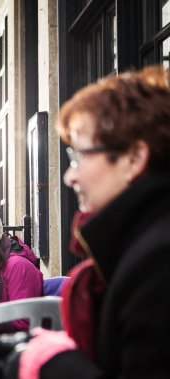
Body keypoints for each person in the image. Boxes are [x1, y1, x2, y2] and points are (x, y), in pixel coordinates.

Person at [17, 66, 170, 379]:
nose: (70, 175)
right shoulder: (141, 246)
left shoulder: (158, 259)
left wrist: (54, 363)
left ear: (133, 158)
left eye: (79, 156)